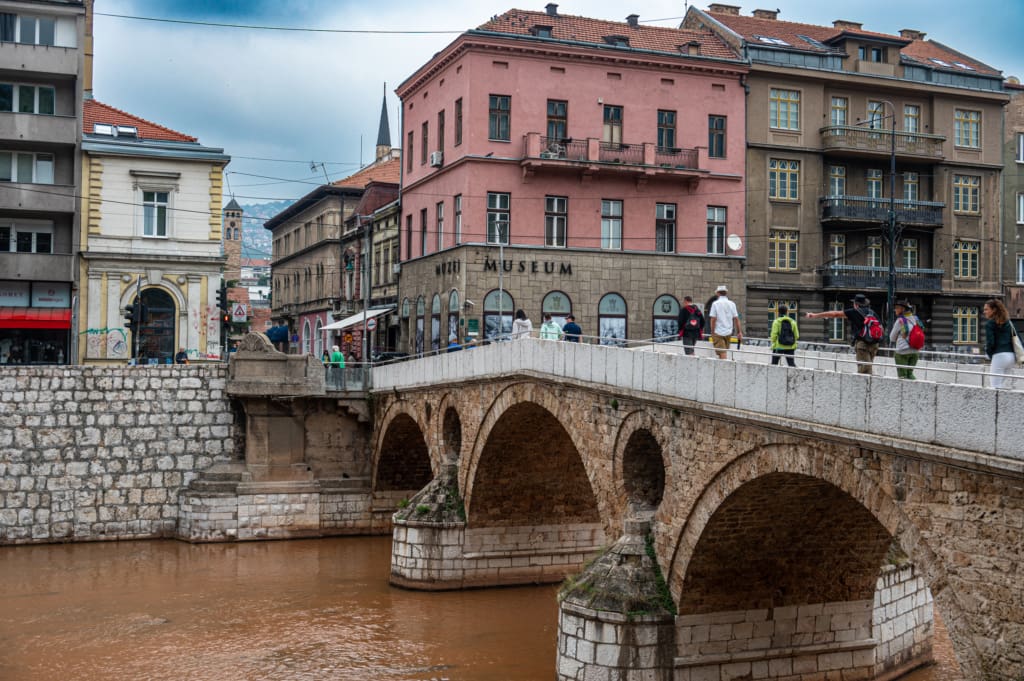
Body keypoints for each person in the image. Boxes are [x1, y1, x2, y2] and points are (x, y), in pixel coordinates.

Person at [805, 293, 879, 375]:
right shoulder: (872, 313)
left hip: (863, 345)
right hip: (874, 345)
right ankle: (869, 386)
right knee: (868, 368)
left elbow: (835, 314)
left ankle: (864, 387)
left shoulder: (855, 312)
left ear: (856, 304)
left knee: (864, 371)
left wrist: (815, 315)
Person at [983, 298, 1015, 389]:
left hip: (1000, 356)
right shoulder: (1008, 322)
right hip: (1011, 357)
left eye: (986, 309)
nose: (984, 312)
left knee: (995, 387)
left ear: (994, 310)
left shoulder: (990, 324)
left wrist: (989, 354)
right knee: (1000, 386)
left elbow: (990, 342)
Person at [890, 299, 921, 380]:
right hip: (915, 351)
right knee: (910, 375)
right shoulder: (916, 319)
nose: (895, 310)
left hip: (902, 351)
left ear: (902, 309)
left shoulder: (900, 320)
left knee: (902, 377)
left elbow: (892, 338)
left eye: (897, 308)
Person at [708, 285, 741, 359]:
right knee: (723, 351)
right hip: (729, 332)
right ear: (726, 293)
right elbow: (736, 319)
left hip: (718, 331)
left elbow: (713, 319)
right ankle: (722, 367)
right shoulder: (732, 304)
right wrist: (739, 332)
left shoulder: (715, 304)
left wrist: (712, 331)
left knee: (722, 352)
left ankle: (725, 368)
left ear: (718, 293)